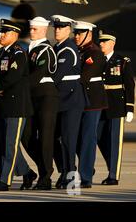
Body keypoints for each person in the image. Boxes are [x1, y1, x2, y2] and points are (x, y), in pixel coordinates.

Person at [0, 19, 34, 192]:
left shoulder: (18, 53)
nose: (1, 35)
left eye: (4, 33)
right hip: (4, 105)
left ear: (14, 35)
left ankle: (5, 180)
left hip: (16, 105)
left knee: (10, 144)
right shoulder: (3, 53)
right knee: (3, 142)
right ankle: (27, 173)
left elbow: (11, 78)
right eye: (1, 32)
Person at [20, 17, 58, 190]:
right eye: (31, 29)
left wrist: (18, 87)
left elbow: (38, 74)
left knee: (45, 138)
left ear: (43, 30)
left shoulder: (46, 50)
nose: (31, 32)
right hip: (31, 97)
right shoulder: (30, 48)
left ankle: (46, 177)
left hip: (45, 97)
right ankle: (44, 168)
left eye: (35, 29)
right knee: (26, 136)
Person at [50, 15, 85, 188]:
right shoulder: (57, 48)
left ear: (68, 30)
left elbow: (56, 76)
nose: (57, 30)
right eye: (56, 27)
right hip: (60, 100)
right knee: (58, 139)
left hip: (71, 100)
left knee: (68, 140)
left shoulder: (68, 50)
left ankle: (71, 176)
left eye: (61, 28)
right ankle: (65, 172)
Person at [73, 21, 108, 188]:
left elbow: (84, 77)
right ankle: (86, 168)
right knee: (73, 138)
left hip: (91, 101)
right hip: (78, 100)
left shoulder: (94, 53)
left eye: (80, 33)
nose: (76, 36)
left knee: (87, 138)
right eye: (76, 33)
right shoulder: (78, 51)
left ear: (89, 34)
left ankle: (86, 176)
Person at [97, 31, 135, 185]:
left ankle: (113, 175)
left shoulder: (122, 61)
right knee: (98, 137)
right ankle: (111, 164)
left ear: (112, 44)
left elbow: (130, 85)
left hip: (116, 106)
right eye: (100, 42)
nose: (101, 44)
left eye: (104, 42)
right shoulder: (97, 60)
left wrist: (130, 108)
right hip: (99, 105)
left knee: (114, 142)